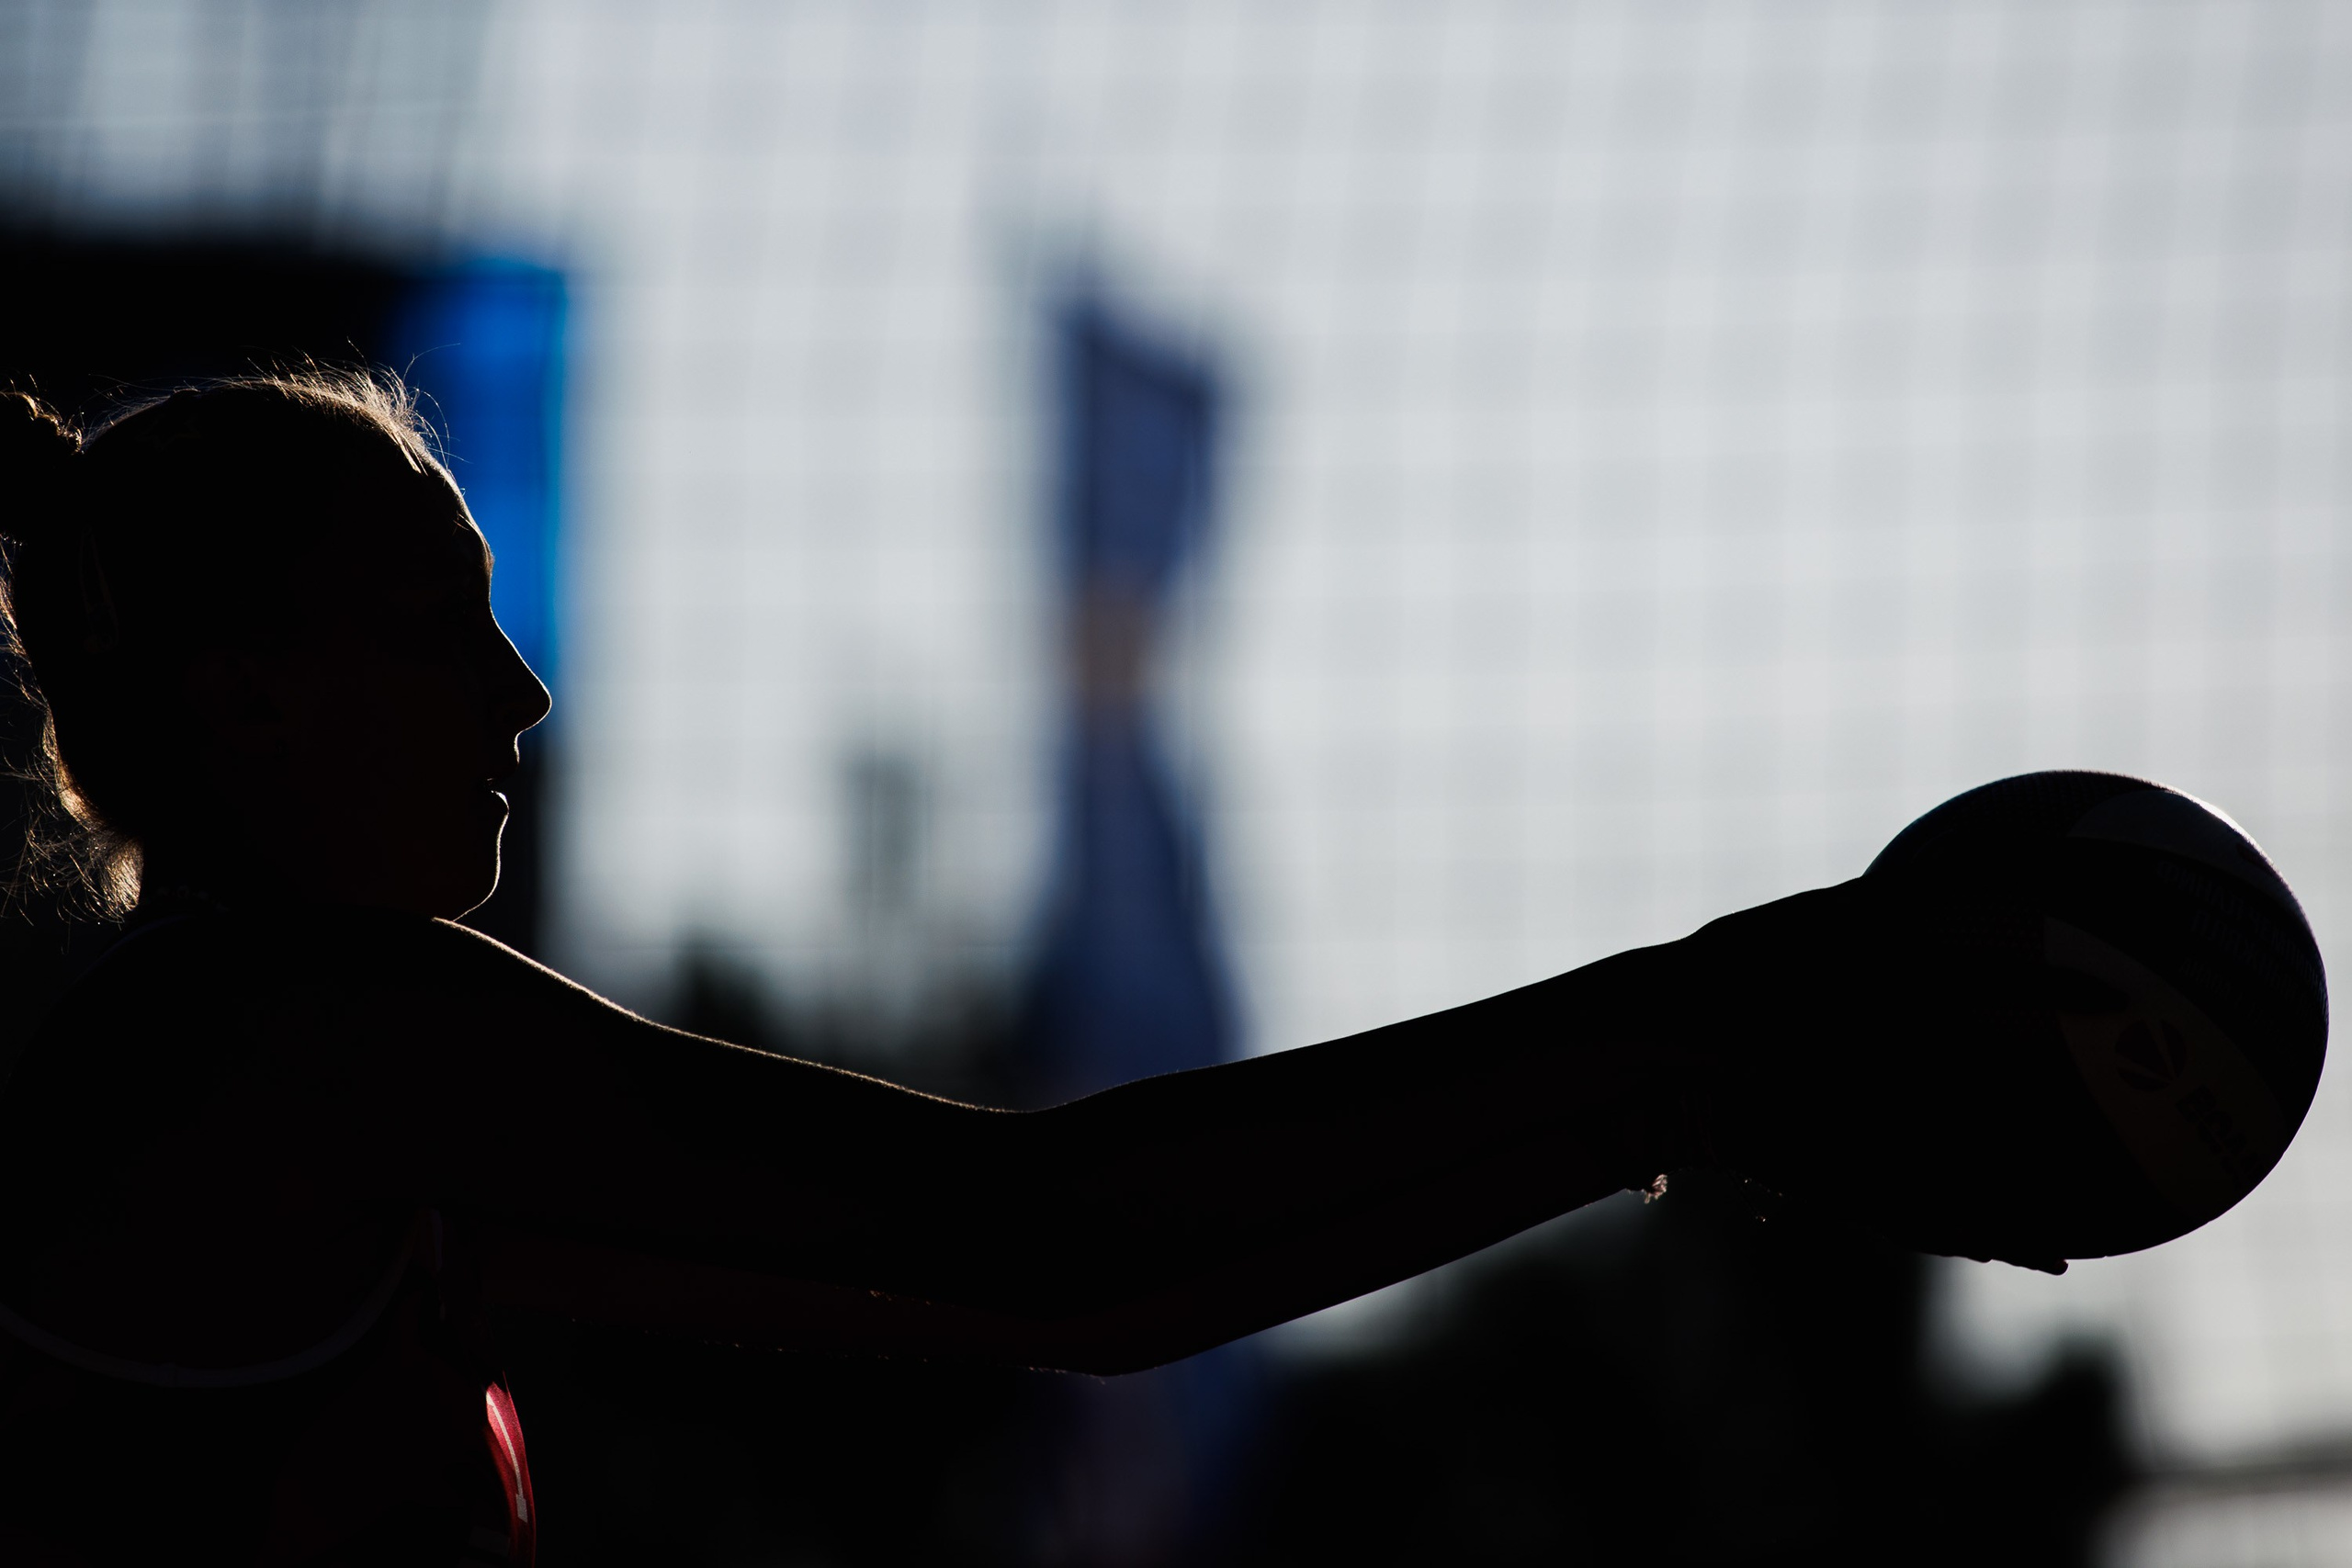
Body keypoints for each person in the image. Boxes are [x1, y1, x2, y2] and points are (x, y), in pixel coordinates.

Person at [0, 375, 2298, 1565]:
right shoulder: (284, 1034)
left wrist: (1660, 1103)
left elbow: (1071, 1298)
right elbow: (1047, 1228)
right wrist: (1696, 1015)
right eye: (437, 623)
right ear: (250, 693)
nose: (518, 693)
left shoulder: (311, 1137)